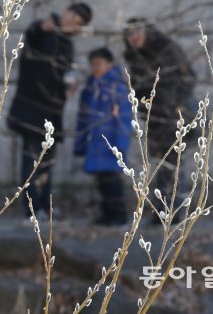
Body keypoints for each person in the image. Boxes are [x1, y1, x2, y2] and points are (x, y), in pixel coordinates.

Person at [7, 2, 93, 218]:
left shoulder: (67, 45)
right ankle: (33, 210)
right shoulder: (44, 31)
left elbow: (61, 74)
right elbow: (33, 35)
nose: (72, 23)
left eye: (78, 23)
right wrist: (44, 28)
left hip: (53, 113)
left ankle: (44, 207)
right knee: (32, 161)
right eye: (73, 17)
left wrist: (68, 85)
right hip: (31, 110)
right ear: (66, 12)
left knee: (47, 163)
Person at [122, 18, 197, 224]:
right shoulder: (134, 57)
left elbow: (187, 77)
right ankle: (163, 213)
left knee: (173, 163)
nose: (133, 38)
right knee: (160, 163)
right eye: (129, 34)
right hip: (152, 116)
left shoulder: (167, 49)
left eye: (137, 32)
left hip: (174, 115)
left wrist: (174, 104)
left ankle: (172, 214)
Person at [74, 47, 132, 226]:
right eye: (93, 65)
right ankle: (107, 214)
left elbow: (124, 117)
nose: (96, 68)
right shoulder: (90, 88)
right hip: (95, 141)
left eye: (99, 64)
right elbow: (83, 117)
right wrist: (80, 143)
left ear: (109, 64)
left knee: (112, 180)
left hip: (111, 140)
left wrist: (121, 143)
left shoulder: (118, 88)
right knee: (101, 180)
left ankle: (119, 214)